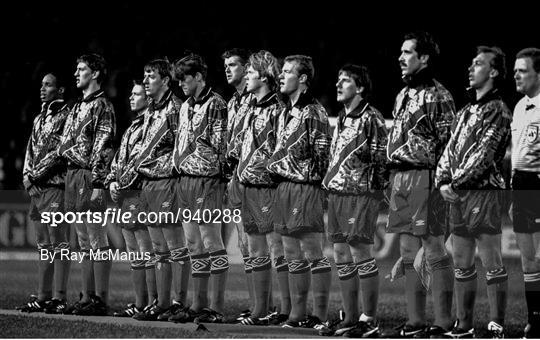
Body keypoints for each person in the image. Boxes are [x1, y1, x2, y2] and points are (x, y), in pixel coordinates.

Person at [436, 46, 511, 338]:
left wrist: (454, 183)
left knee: (491, 260)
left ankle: (496, 325)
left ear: (493, 72)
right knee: (462, 262)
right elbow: (448, 151)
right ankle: (464, 325)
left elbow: (485, 155)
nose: (470, 68)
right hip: (457, 194)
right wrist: (443, 181)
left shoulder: (498, 110)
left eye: (478, 64)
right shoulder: (465, 111)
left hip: (484, 192)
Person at [385, 31, 456, 337]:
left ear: (424, 58)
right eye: (401, 52)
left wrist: (443, 182)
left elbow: (449, 144)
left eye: (408, 52)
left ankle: (442, 322)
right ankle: (414, 322)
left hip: (425, 175)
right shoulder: (404, 93)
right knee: (405, 246)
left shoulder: (438, 95)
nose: (401, 57)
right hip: (401, 176)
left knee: (433, 245)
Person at [319, 64, 388, 337]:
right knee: (340, 254)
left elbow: (381, 160)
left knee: (360, 253)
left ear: (359, 88)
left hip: (360, 195)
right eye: (338, 79)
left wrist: (373, 195)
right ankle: (349, 317)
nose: (338, 84)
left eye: (345, 80)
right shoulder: (342, 116)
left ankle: (369, 319)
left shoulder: (372, 118)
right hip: (337, 195)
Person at [267, 54, 332, 329]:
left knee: (312, 251)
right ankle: (297, 314)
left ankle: (319, 316)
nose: (281, 76)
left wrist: (312, 186)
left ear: (303, 78)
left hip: (306, 187)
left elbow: (322, 156)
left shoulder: (314, 113)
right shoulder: (285, 111)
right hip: (284, 187)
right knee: (291, 252)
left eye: (287, 71)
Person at [172, 53, 229, 323]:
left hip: (207, 180)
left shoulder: (216, 104)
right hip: (185, 181)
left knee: (211, 241)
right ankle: (198, 303)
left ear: (198, 77)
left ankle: (216, 307)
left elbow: (220, 148)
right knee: (193, 244)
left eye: (185, 77)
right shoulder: (185, 106)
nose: (181, 82)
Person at [233, 50, 290, 326]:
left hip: (267, 188)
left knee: (276, 248)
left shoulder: (278, 109)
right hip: (247, 187)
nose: (247, 76)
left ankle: (286, 309)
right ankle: (260, 309)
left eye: (251, 72)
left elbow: (280, 150)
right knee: (255, 250)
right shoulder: (249, 106)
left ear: (265, 76)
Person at [58, 53, 116, 315]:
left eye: (80, 69)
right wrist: (73, 152)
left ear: (94, 74)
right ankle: (86, 295)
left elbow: (102, 149)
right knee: (82, 239)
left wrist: (98, 183)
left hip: (89, 176)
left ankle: (100, 298)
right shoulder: (75, 107)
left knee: (96, 236)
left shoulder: (103, 105)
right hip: (73, 175)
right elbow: (62, 146)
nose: (75, 74)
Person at [132, 59, 189, 321]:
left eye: (151, 76)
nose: (145, 81)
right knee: (158, 247)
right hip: (149, 184)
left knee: (175, 246)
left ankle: (178, 302)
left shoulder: (176, 108)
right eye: (144, 75)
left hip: (167, 183)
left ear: (166, 80)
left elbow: (182, 149)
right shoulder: (151, 110)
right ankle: (162, 302)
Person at [17, 71, 71, 314]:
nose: (42, 88)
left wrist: (35, 175)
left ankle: (59, 297)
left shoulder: (67, 116)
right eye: (42, 84)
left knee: (59, 243)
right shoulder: (39, 117)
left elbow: (60, 152)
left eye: (48, 85)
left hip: (55, 187)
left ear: (60, 90)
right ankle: (42, 296)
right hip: (37, 189)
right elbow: (30, 148)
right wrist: (26, 177)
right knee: (43, 245)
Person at [107, 80, 158, 317]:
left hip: (140, 192)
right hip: (125, 195)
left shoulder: (150, 124)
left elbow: (140, 161)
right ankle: (140, 303)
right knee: (134, 252)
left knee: (146, 251)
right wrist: (112, 182)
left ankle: (153, 302)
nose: (131, 97)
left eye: (136, 94)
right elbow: (118, 161)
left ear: (148, 99)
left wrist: (121, 183)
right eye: (131, 93)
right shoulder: (131, 127)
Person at [222, 48, 257, 319]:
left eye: (233, 64)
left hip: (255, 180)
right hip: (236, 178)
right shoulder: (232, 101)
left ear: (247, 69)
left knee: (261, 247)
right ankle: (257, 305)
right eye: (226, 64)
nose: (227, 68)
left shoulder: (259, 99)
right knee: (245, 246)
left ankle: (269, 307)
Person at [510, 47, 540, 338]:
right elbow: (517, 153)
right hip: (521, 187)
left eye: (522, 70)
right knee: (528, 259)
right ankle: (535, 318)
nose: (516, 74)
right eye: (516, 69)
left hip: (538, 184)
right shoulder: (520, 106)